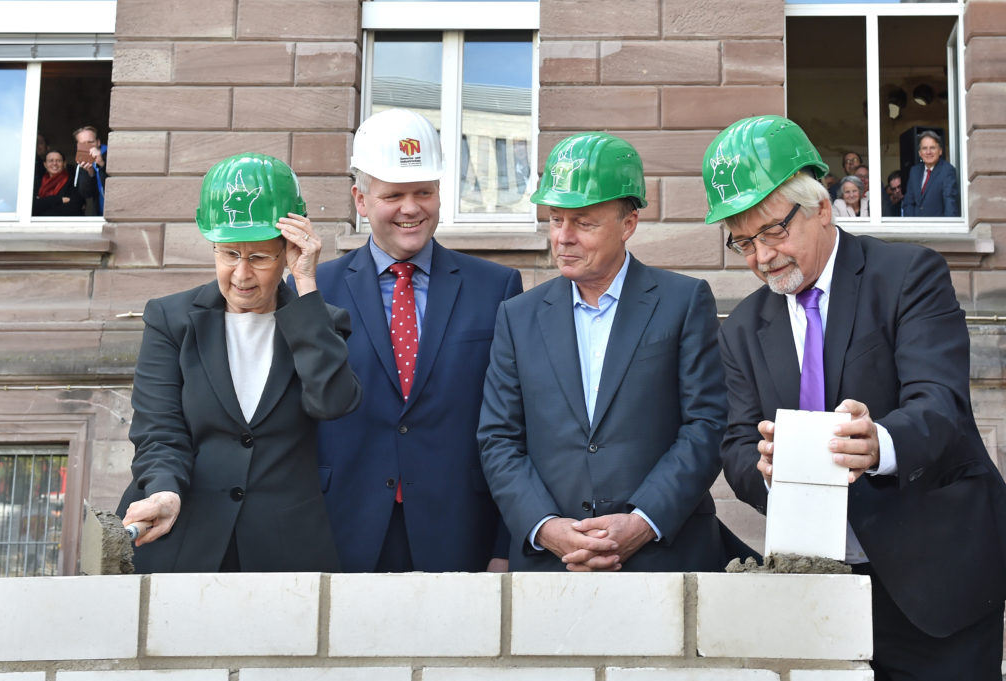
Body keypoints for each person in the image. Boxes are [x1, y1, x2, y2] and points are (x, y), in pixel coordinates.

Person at [702, 115, 1006, 680]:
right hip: (817, 590)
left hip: (935, 580)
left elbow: (939, 405)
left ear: (821, 207)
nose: (762, 257)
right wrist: (766, 469)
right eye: (743, 242)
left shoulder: (908, 274)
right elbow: (737, 445)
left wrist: (879, 442)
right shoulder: (742, 327)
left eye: (772, 232)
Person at [478, 132, 740, 572]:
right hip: (553, 563)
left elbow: (707, 424)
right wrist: (545, 527)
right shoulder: (517, 317)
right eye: (556, 219)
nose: (563, 237)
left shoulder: (683, 301)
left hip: (664, 557)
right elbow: (498, 438)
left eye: (584, 223)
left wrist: (643, 521)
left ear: (628, 224)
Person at [117, 153, 362, 573]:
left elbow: (332, 402)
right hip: (183, 535)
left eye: (260, 258)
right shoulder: (170, 319)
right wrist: (164, 490)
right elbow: (159, 429)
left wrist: (305, 283)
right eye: (229, 254)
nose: (241, 274)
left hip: (283, 548)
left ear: (288, 251)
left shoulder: (320, 322)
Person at [309, 108, 523, 573]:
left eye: (424, 191)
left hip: (462, 530)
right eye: (393, 195)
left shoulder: (496, 288)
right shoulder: (314, 290)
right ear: (360, 199)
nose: (411, 208)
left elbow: (517, 422)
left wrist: (505, 545)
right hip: (341, 529)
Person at [902, 130, 959, 217]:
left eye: (932, 148)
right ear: (920, 153)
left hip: (937, 225)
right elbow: (908, 203)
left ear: (940, 151)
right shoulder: (914, 171)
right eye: (924, 148)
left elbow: (950, 205)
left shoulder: (947, 171)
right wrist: (913, 223)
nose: (928, 152)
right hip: (915, 225)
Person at [32, 149, 84, 217]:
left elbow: (74, 208)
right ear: (45, 164)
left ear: (64, 164)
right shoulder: (38, 183)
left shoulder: (73, 183)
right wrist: (59, 200)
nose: (54, 164)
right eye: (51, 161)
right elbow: (32, 207)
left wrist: (43, 204)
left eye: (58, 161)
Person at [73, 125, 107, 216]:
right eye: (83, 144)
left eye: (90, 142)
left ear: (98, 142)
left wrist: (101, 164)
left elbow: (116, 186)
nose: (87, 147)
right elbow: (87, 194)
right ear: (78, 146)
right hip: (100, 214)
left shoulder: (109, 154)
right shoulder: (82, 161)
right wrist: (90, 172)